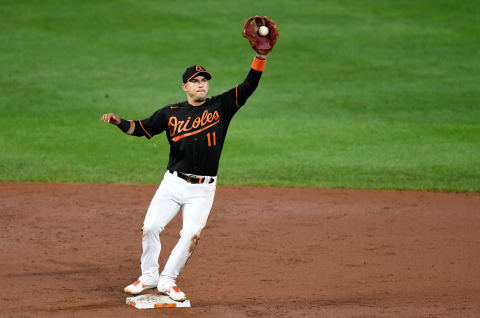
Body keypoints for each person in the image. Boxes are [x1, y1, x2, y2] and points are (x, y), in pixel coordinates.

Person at [101, 16, 277, 301]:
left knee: (191, 234)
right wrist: (119, 121)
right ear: (185, 86)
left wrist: (260, 56)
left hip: (203, 189)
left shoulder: (222, 106)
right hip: (173, 184)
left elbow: (249, 85)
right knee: (150, 227)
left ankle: (168, 280)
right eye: (196, 81)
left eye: (204, 80)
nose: (202, 85)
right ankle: (148, 276)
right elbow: (141, 128)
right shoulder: (170, 113)